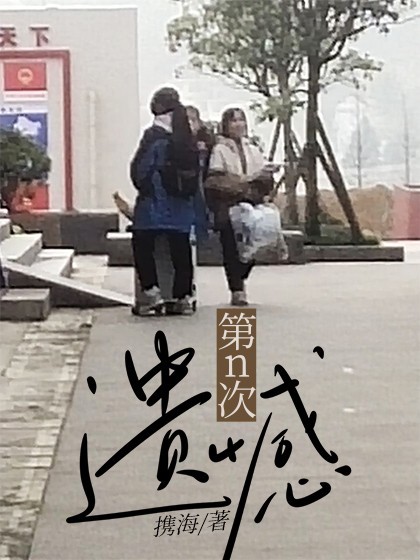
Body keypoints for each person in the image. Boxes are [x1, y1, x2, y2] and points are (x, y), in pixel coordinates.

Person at [129, 87, 199, 315]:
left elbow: (140, 171)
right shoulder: (186, 137)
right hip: (181, 207)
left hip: (154, 204)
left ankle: (152, 294)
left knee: (142, 244)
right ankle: (183, 297)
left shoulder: (154, 136)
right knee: (181, 249)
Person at [205, 107, 284, 306]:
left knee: (255, 244)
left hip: (251, 204)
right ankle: (237, 289)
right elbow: (216, 181)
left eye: (241, 120)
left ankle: (240, 278)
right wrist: (243, 182)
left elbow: (263, 182)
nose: (238, 124)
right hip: (228, 206)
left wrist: (265, 176)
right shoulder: (219, 149)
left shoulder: (252, 148)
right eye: (233, 121)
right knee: (231, 247)